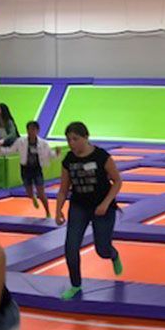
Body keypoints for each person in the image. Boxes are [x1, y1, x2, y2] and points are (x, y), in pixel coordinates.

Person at [55, 122, 123, 300]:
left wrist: (106, 203)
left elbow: (117, 181)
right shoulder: (69, 160)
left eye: (75, 139)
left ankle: (113, 254)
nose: (71, 143)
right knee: (71, 246)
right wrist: (58, 210)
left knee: (102, 249)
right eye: (68, 139)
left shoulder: (101, 156)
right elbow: (63, 189)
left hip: (103, 207)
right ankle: (76, 284)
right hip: (79, 207)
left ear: (86, 138)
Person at [0, 120, 56, 218]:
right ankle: (33, 197)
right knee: (29, 192)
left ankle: (48, 212)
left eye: (33, 129)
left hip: (37, 169)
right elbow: (11, 150)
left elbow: (49, 154)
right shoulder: (21, 141)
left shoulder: (43, 143)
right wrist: (0, 150)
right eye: (29, 129)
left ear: (37, 131)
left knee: (41, 193)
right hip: (25, 169)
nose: (31, 132)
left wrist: (56, 154)